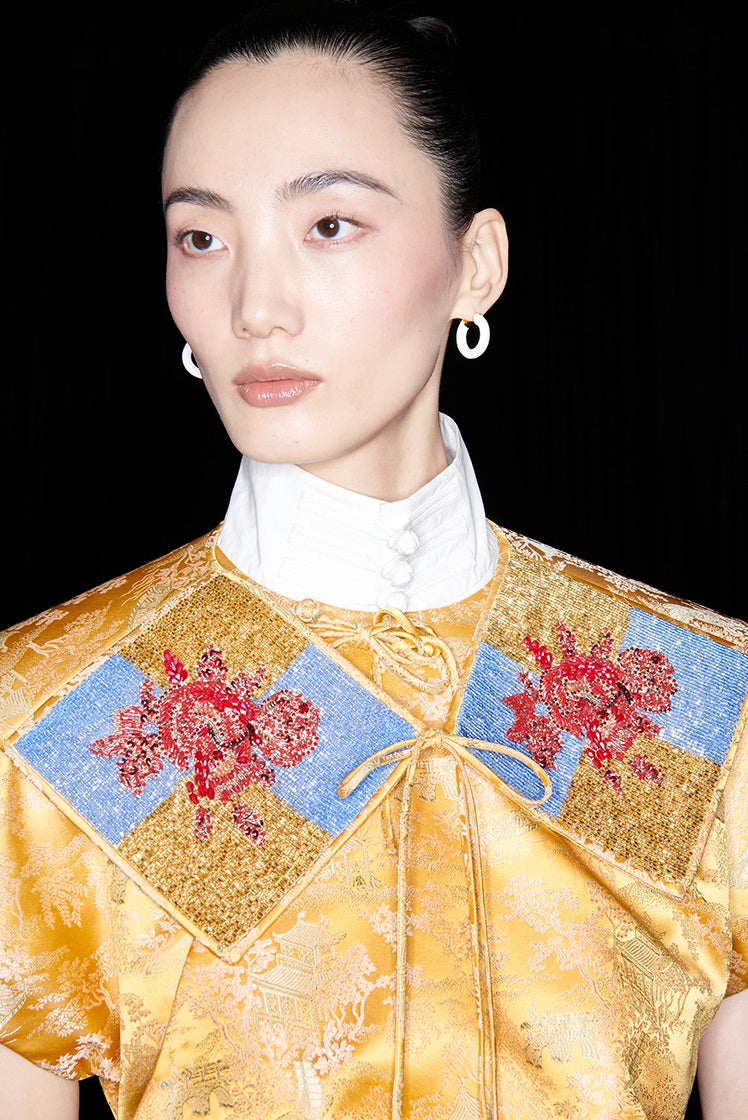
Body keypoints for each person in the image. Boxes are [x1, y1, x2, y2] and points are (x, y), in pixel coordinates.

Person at [1, 2, 746, 1118]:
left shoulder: (699, 695)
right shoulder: (55, 711)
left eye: (329, 224)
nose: (255, 307)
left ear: (475, 265)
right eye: (202, 237)